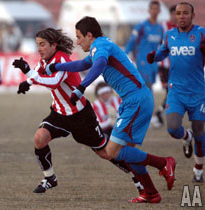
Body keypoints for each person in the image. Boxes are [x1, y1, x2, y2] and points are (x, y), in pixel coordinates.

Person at [45, 16, 176, 203]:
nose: (78, 41)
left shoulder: (100, 46)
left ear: (90, 35)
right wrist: (57, 66)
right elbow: (83, 64)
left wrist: (81, 88)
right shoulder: (101, 45)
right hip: (136, 99)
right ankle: (151, 193)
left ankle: (164, 163)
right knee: (129, 153)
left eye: (79, 36)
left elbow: (98, 65)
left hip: (135, 100)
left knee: (113, 152)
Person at [12, 28, 141, 195]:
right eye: (37, 45)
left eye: (42, 45)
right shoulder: (45, 60)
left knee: (105, 153)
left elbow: (54, 81)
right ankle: (50, 178)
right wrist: (28, 81)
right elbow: (38, 73)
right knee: (40, 138)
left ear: (53, 45)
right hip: (59, 113)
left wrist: (29, 74)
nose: (39, 49)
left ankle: (137, 176)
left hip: (81, 116)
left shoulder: (62, 60)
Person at [147, 2, 205, 182]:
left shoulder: (201, 33)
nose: (181, 16)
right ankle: (186, 137)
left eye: (185, 13)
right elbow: (162, 53)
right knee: (172, 127)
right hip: (176, 91)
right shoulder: (169, 35)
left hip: (198, 93)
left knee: (200, 133)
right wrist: (153, 57)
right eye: (178, 13)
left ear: (192, 15)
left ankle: (198, 169)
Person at [125, 0, 163, 91]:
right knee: (146, 86)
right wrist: (125, 55)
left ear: (159, 11)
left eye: (156, 9)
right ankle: (148, 104)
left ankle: (146, 104)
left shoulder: (160, 28)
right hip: (142, 61)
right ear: (149, 11)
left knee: (150, 85)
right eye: (152, 9)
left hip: (153, 62)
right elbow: (131, 41)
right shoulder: (141, 26)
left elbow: (162, 45)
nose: (154, 11)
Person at [153, 5, 177, 128]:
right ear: (170, 14)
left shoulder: (181, 29)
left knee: (173, 92)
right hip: (164, 66)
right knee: (170, 91)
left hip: (176, 67)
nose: (176, 16)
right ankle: (159, 114)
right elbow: (154, 41)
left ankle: (160, 113)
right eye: (174, 13)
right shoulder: (162, 26)